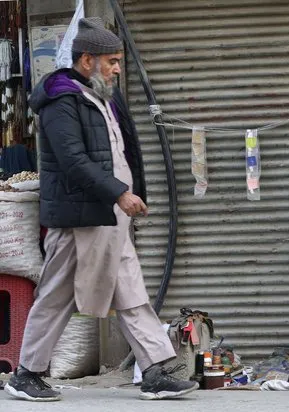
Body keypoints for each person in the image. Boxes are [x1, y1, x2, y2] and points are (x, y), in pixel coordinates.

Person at [4, 18, 198, 402]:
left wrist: (132, 194)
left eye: (118, 60)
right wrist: (119, 194)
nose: (116, 68)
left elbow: (122, 152)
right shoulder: (62, 101)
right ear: (87, 60)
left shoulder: (101, 97)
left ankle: (157, 369)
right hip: (81, 218)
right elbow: (74, 161)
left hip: (110, 217)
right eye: (111, 60)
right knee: (57, 295)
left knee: (131, 291)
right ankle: (27, 373)